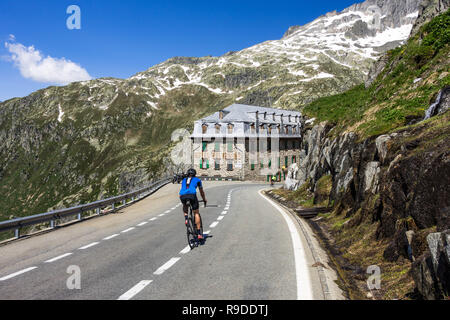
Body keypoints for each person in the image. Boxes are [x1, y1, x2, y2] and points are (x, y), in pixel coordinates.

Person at [179, 168, 207, 240]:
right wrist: (204, 199)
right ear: (195, 174)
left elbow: (183, 189)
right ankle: (199, 233)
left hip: (182, 195)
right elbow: (201, 192)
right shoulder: (197, 180)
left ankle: (186, 219)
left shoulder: (184, 180)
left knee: (185, 205)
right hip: (192, 195)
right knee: (196, 213)